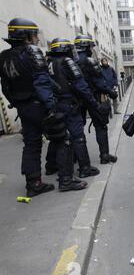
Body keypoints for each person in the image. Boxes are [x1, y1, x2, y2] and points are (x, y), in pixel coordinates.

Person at [0, 18, 87, 196]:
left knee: (31, 144)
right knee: (64, 139)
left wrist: (18, 104)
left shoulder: (4, 56)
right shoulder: (32, 51)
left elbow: (5, 86)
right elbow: (42, 82)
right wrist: (52, 107)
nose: (37, 39)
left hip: (23, 108)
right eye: (34, 35)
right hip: (40, 104)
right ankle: (66, 180)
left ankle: (34, 184)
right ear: (26, 36)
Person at [45, 38, 102, 179]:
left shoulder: (49, 63)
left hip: (56, 105)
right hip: (69, 104)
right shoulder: (67, 62)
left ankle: (51, 166)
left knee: (59, 137)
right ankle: (85, 168)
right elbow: (81, 86)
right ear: (65, 49)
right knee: (78, 137)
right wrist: (94, 104)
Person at [74, 35, 119, 164]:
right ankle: (104, 155)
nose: (92, 49)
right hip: (93, 97)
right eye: (90, 47)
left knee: (77, 129)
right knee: (100, 126)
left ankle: (77, 158)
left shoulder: (71, 61)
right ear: (86, 47)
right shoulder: (89, 61)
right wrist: (112, 93)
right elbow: (100, 83)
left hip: (77, 99)